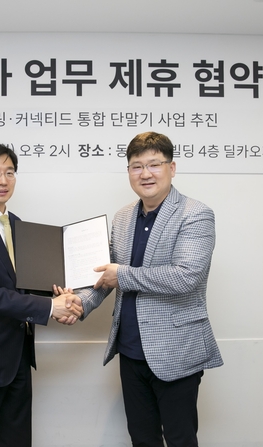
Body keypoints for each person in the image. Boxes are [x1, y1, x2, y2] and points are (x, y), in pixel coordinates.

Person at [57, 131, 223, 447]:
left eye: (154, 164)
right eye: (136, 166)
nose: (145, 173)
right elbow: (105, 275)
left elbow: (186, 277)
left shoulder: (195, 213)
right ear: (129, 172)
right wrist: (79, 302)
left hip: (175, 350)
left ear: (171, 168)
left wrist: (122, 274)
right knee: (142, 439)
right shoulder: (122, 217)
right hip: (131, 351)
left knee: (180, 439)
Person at [0, 142, 82, 447]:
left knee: (19, 442)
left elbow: (28, 283)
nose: (3, 180)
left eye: (9, 172)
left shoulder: (20, 226)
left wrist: (63, 295)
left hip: (18, 356)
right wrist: (51, 307)